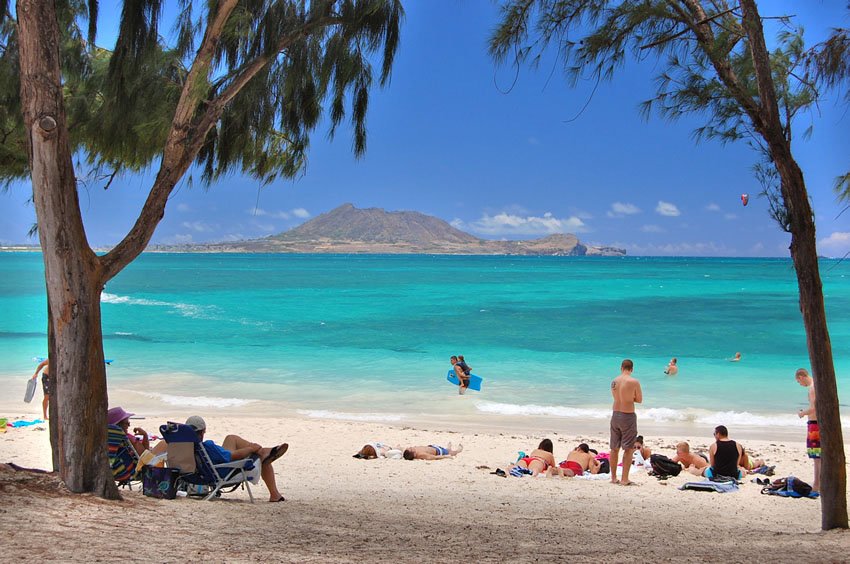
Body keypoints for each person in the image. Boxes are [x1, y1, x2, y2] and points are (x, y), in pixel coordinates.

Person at [185, 415, 289, 502]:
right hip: (225, 470)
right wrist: (250, 449)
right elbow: (233, 456)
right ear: (202, 432)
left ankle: (265, 452)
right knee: (261, 458)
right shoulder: (207, 447)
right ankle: (264, 453)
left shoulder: (184, 448)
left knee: (231, 438)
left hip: (204, 472)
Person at [609, 359, 642, 485]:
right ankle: (624, 479)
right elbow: (639, 399)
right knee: (628, 448)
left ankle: (613, 478)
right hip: (627, 415)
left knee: (614, 448)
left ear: (621, 368)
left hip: (615, 414)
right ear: (632, 369)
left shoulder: (614, 382)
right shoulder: (634, 381)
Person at [795, 367, 820, 492]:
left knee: (816, 456)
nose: (800, 384)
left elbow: (813, 408)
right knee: (818, 455)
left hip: (814, 424)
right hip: (817, 423)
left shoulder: (812, 388)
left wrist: (802, 413)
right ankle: (818, 483)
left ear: (801, 377)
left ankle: (816, 485)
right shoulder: (816, 385)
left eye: (799, 382)